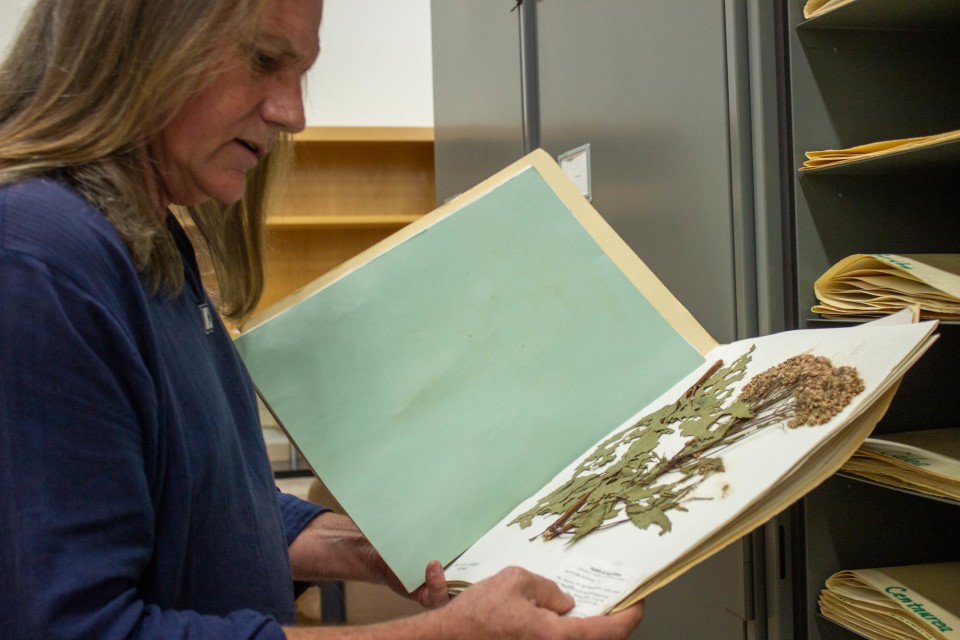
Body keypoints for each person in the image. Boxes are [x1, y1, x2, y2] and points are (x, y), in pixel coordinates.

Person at [0, 0, 645, 638]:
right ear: (141, 39)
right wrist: (455, 635)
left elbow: (204, 510)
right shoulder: (42, 260)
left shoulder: (148, 237)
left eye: (300, 73)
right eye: (263, 60)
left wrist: (370, 548)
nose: (294, 114)